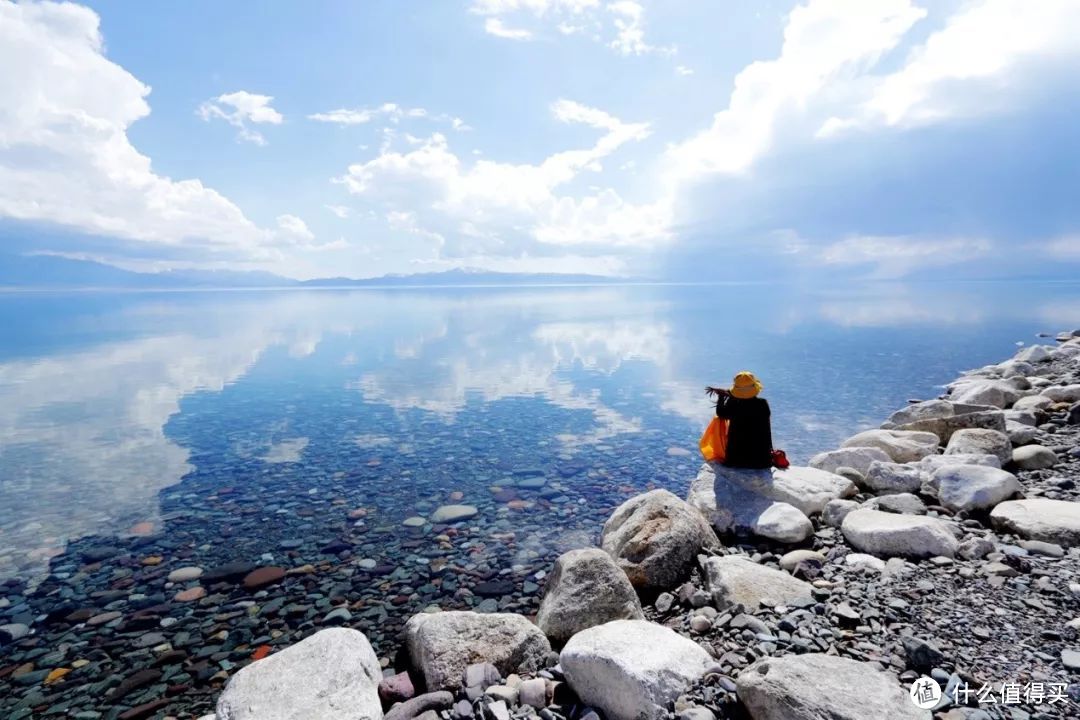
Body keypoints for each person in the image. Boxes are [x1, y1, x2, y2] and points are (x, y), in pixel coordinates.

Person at [705, 371, 773, 469]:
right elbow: (748, 408)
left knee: (717, 421)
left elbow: (721, 414)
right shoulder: (762, 404)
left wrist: (721, 397)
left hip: (736, 461)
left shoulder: (734, 404)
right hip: (761, 461)